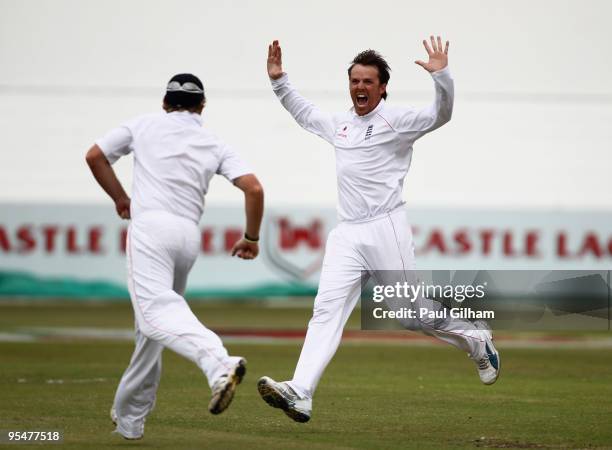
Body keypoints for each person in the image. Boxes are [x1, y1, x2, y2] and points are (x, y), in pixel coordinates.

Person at [257, 37, 500, 423]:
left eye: (368, 82)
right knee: (325, 310)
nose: (360, 88)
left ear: (382, 87)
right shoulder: (340, 125)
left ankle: (475, 339)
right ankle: (301, 392)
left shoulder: (397, 120)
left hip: (386, 228)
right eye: (354, 81)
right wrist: (278, 80)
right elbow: (305, 114)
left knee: (411, 316)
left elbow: (443, 113)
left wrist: (443, 77)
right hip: (348, 234)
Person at [85, 73, 264, 439]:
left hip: (151, 229)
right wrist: (251, 237)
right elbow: (254, 188)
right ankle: (130, 420)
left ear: (165, 103)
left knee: (154, 316)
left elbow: (95, 156)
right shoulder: (213, 141)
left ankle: (218, 364)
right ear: (202, 106)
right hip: (187, 237)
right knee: (152, 330)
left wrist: (120, 198)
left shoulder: (144, 124)